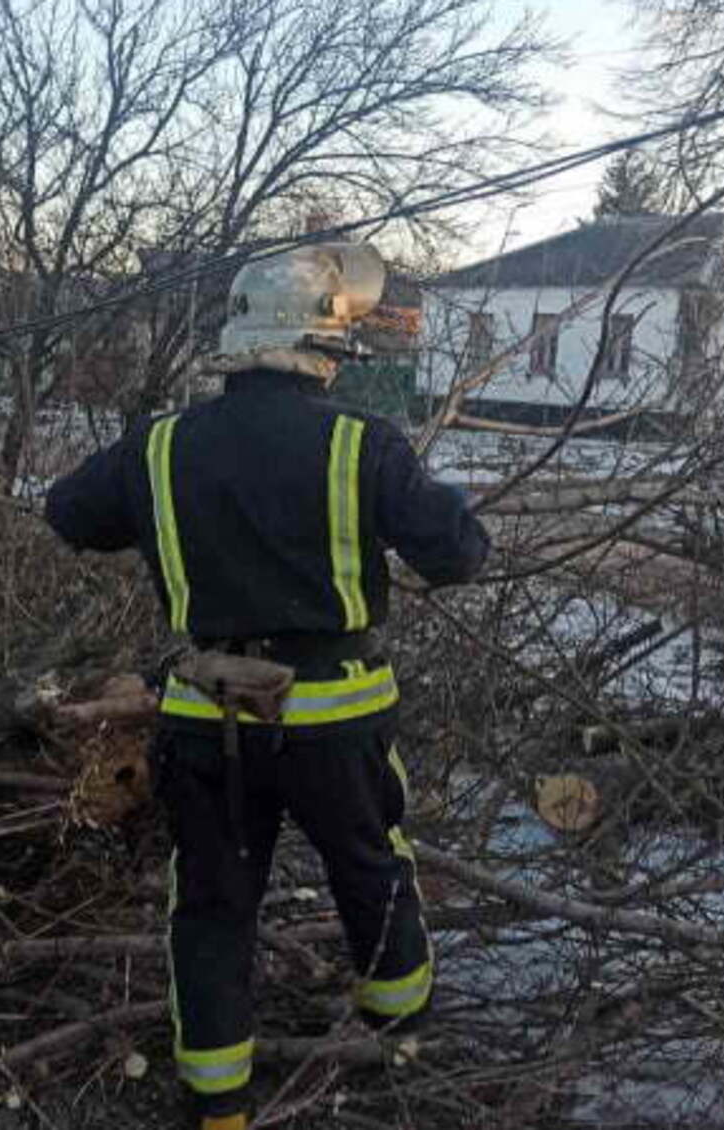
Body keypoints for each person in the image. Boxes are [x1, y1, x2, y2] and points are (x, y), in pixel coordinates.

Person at [43, 242, 489, 1130]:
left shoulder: (160, 444)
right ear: (326, 350)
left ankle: (218, 1105)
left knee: (211, 904)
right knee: (369, 867)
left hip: (206, 718)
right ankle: (397, 1034)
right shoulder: (363, 444)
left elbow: (69, 515)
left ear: (238, 342)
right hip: (335, 719)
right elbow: (460, 555)